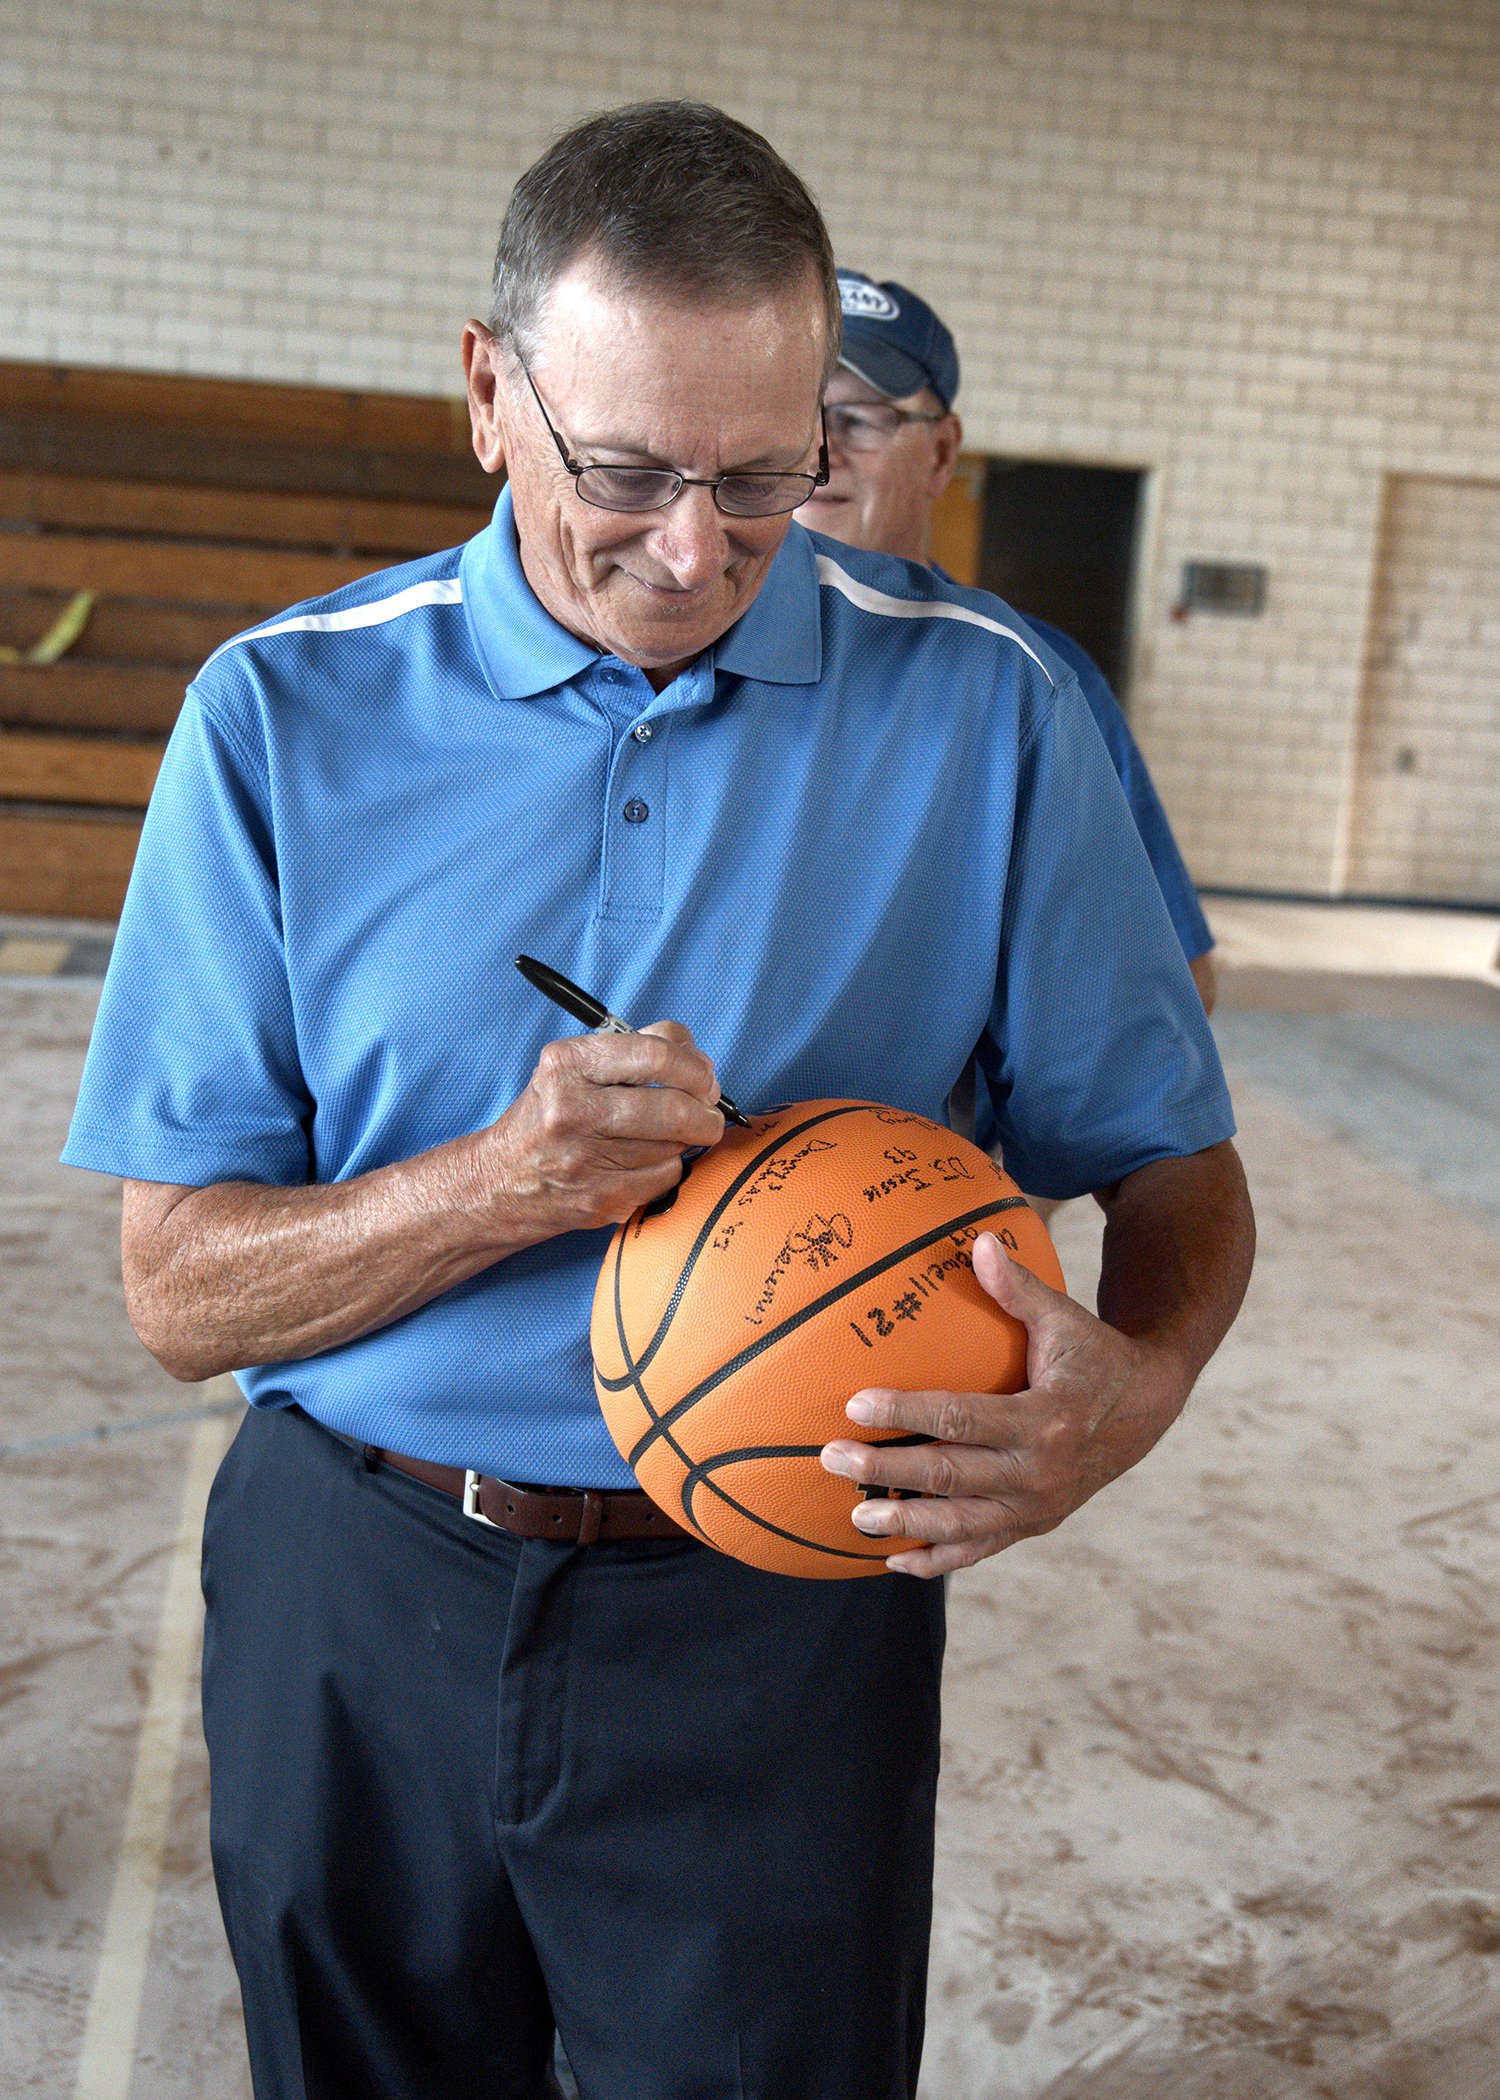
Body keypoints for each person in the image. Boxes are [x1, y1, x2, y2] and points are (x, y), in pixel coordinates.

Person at [63, 102, 1253, 2100]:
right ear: (486, 396)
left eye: (768, 476)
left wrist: (1122, 1403)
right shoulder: (281, 713)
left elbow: (1181, 1181)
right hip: (355, 1586)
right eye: (624, 472)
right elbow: (180, 1298)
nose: (696, 548)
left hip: (780, 1609)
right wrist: (498, 1185)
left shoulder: (993, 714)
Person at [808, 269, 1217, 1018]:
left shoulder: (1031, 679)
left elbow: (1174, 989)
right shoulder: (678, 650)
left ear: (940, 455)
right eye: (790, 412)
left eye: (858, 419)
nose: (817, 451)